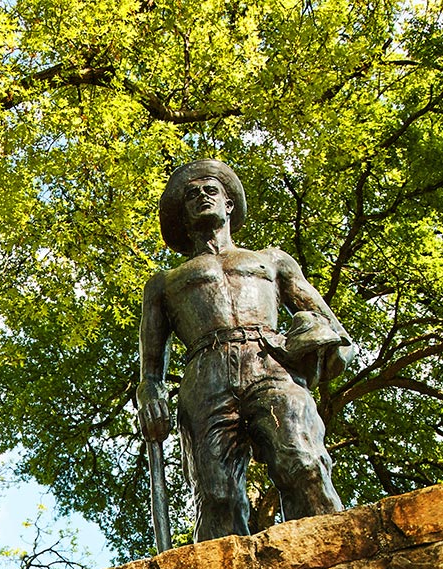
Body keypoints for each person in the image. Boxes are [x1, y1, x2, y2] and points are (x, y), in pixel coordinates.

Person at [137, 159, 355, 543]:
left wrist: (321, 346)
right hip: (205, 374)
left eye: (210, 190)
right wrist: (150, 394)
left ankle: (332, 557)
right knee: (215, 494)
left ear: (229, 205)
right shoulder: (164, 283)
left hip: (270, 360)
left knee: (303, 462)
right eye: (191, 195)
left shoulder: (271, 260)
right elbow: (151, 370)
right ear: (182, 214)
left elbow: (333, 328)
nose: (201, 197)